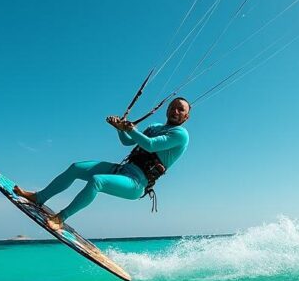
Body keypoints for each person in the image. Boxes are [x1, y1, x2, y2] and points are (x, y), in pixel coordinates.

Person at [14, 97, 191, 230]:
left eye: (180, 109)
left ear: (186, 116)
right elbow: (128, 142)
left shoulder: (181, 134)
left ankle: (61, 218)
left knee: (97, 181)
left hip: (136, 184)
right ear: (167, 110)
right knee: (76, 167)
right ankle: (39, 197)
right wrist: (120, 129)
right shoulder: (155, 126)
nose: (175, 111)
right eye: (172, 107)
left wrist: (130, 129)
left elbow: (150, 145)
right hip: (121, 170)